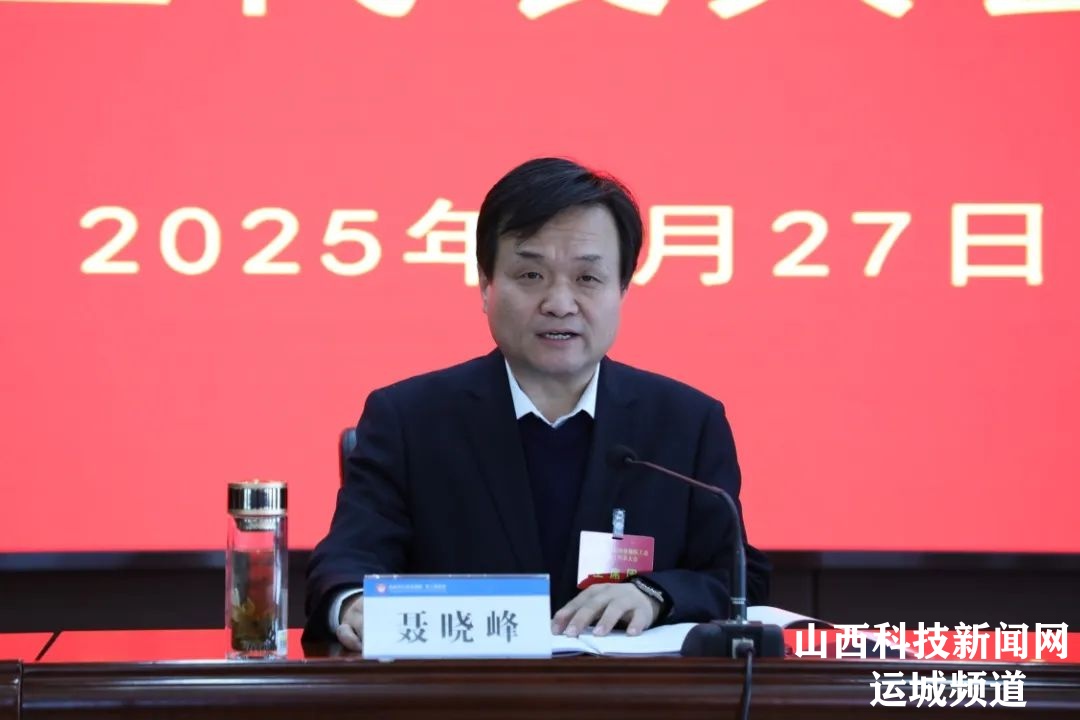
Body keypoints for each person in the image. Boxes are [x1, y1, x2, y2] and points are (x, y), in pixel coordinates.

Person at [304, 157, 770, 650]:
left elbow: (736, 577)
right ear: (485, 285)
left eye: (587, 278)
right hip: (462, 688)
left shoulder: (686, 423)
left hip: (627, 690)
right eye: (531, 275)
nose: (559, 303)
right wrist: (353, 603)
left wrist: (656, 594)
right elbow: (347, 563)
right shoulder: (409, 420)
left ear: (622, 289)